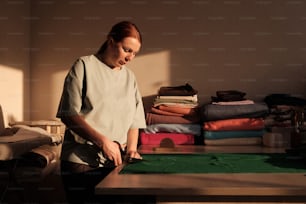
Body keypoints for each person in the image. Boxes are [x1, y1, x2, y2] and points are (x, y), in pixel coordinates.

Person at [56, 21, 147, 203]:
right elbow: (68, 114)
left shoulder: (129, 77)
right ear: (111, 41)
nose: (130, 57)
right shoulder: (84, 65)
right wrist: (103, 141)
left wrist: (131, 149)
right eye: (127, 50)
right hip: (81, 163)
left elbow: (134, 121)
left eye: (135, 53)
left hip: (116, 163)